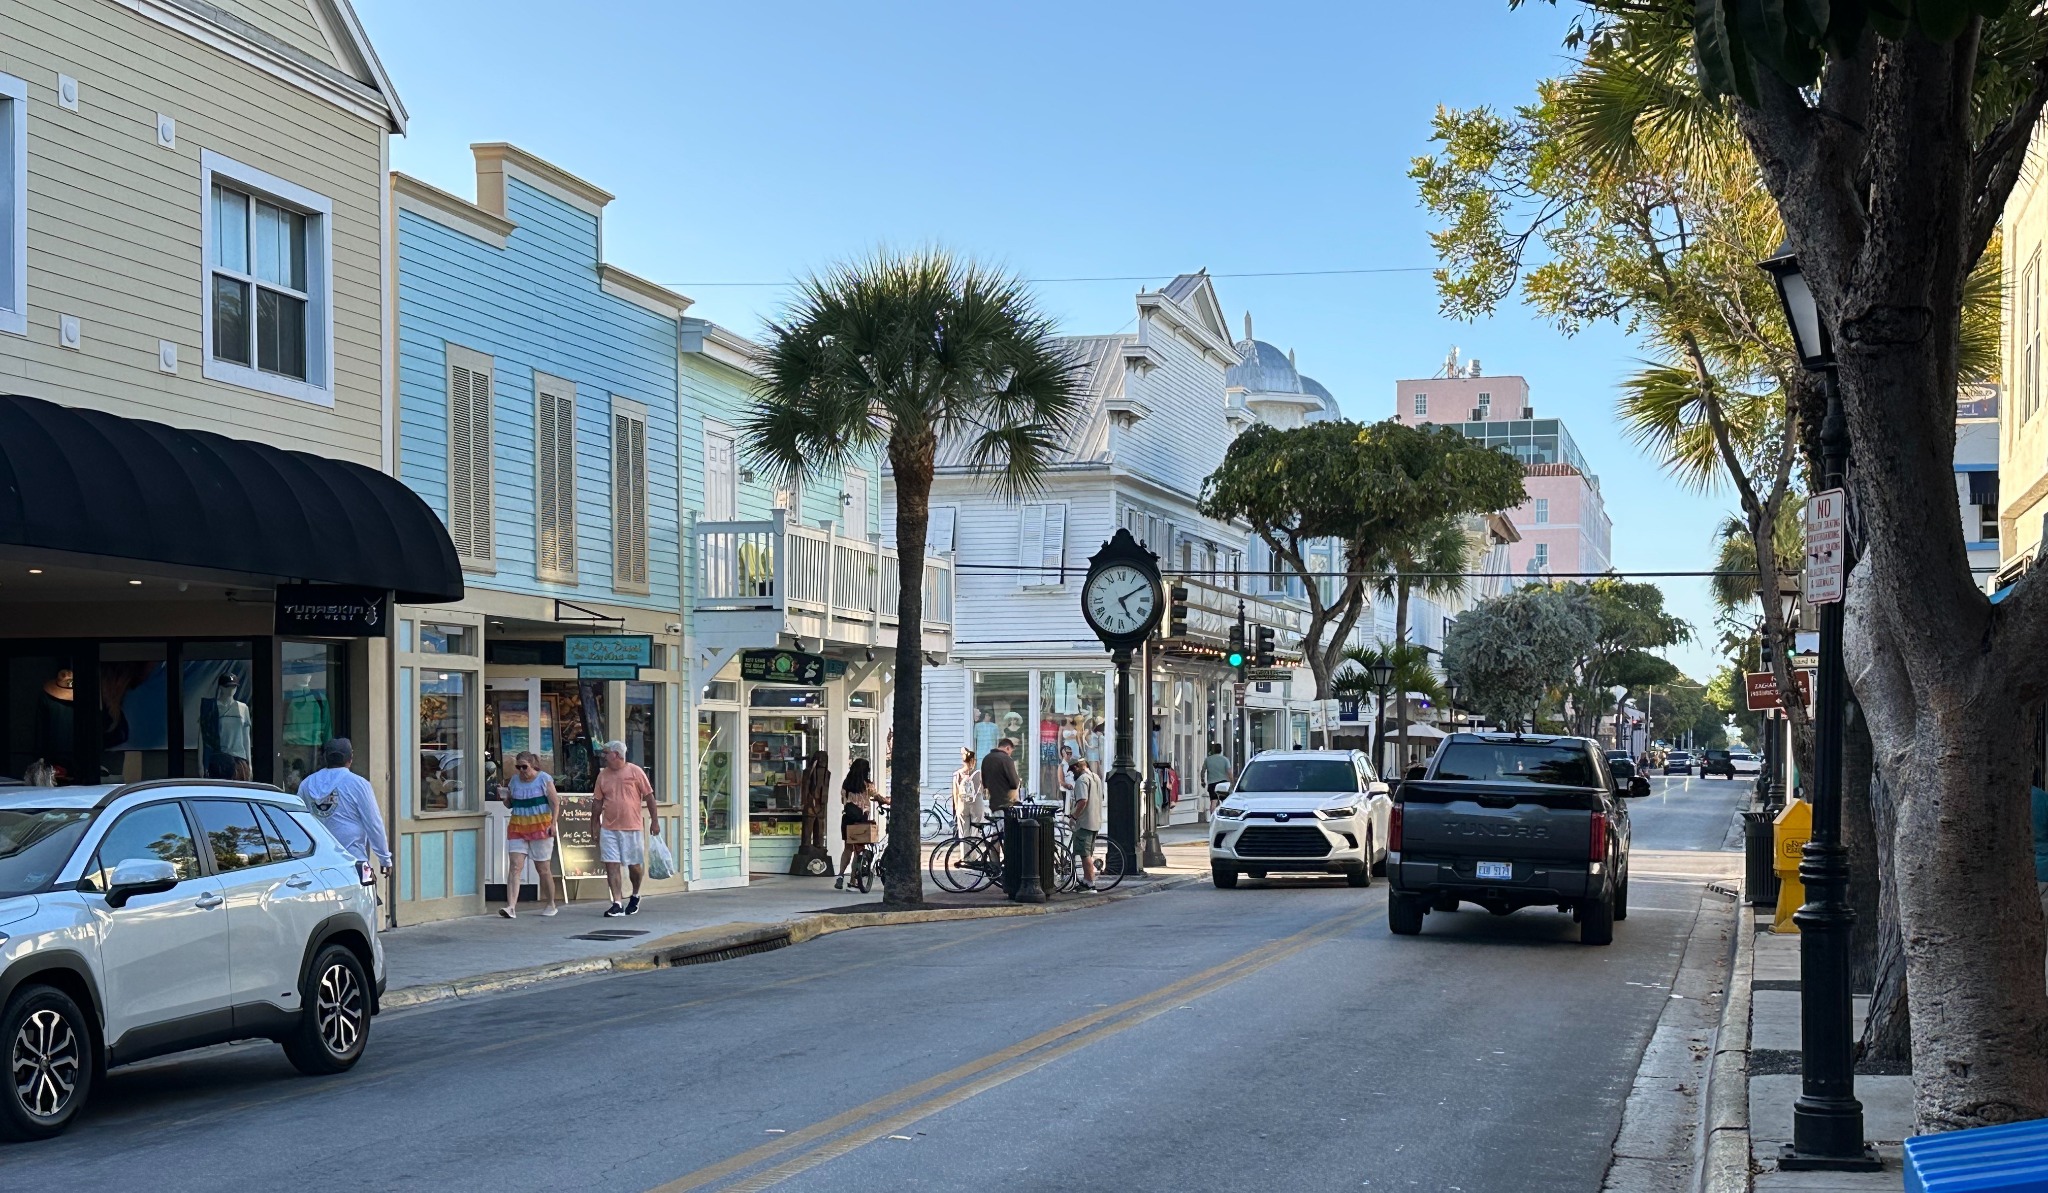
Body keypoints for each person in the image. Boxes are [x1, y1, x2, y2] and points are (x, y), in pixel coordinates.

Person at [299, 738, 393, 879]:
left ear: (325, 758)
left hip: (317, 864)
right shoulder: (359, 784)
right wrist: (385, 859)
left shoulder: (307, 784)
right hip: (354, 863)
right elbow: (374, 824)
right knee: (365, 893)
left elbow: (299, 821)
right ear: (350, 758)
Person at [591, 740, 659, 918]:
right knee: (611, 864)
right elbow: (597, 802)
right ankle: (617, 903)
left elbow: (649, 797)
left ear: (616, 755)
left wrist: (654, 821)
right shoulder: (602, 775)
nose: (603, 756)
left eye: (606, 753)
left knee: (634, 866)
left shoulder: (635, 771)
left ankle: (635, 895)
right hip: (609, 828)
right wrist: (594, 824)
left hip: (632, 827)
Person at [499, 751, 560, 918]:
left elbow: (555, 803)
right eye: (518, 767)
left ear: (532, 765)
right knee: (515, 866)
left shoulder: (544, 779)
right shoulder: (514, 781)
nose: (521, 770)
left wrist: (553, 824)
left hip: (540, 827)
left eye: (524, 767)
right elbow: (510, 804)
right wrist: (504, 798)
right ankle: (511, 906)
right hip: (518, 827)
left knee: (543, 869)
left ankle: (551, 903)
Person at [836, 757, 882, 889]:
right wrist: (886, 801)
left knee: (847, 848)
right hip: (861, 820)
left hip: (847, 819)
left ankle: (840, 875)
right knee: (858, 850)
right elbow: (876, 796)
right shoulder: (867, 784)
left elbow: (843, 800)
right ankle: (853, 880)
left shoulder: (846, 783)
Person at [1069, 758, 1106, 891]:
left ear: (1076, 767)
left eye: (1072, 771)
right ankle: (1086, 879)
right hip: (1096, 820)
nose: (1073, 774)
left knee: (1085, 854)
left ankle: (1090, 883)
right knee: (1088, 852)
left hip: (1084, 822)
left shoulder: (1082, 780)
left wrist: (1074, 816)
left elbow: (1082, 801)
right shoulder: (1096, 777)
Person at [980, 737, 1020, 815]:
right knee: (1005, 822)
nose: (1010, 754)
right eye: (1010, 752)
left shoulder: (986, 759)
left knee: (997, 822)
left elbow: (984, 783)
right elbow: (1014, 783)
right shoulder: (1006, 759)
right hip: (1006, 804)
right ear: (1007, 748)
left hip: (993, 803)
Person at [951, 747, 983, 837]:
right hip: (976, 803)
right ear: (974, 761)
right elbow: (983, 788)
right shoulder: (979, 774)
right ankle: (974, 845)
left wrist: (956, 807)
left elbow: (955, 792)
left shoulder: (957, 774)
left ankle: (964, 846)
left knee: (963, 832)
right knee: (975, 831)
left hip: (962, 803)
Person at [1202, 742, 1233, 809]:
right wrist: (1232, 783)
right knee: (1224, 801)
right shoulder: (1225, 759)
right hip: (1223, 783)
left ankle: (1212, 814)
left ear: (1213, 750)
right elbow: (1229, 772)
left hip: (1212, 783)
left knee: (1213, 801)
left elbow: (1203, 771)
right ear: (1221, 750)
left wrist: (1202, 781)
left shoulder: (1208, 760)